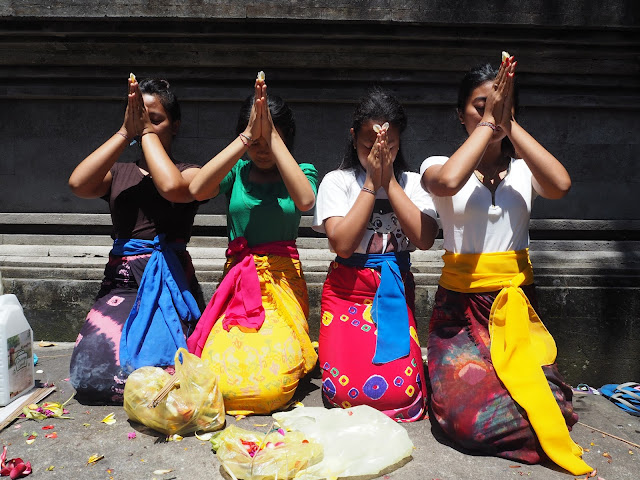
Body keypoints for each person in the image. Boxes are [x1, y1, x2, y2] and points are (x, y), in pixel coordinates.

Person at [421, 57, 593, 475]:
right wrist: (487, 126)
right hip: (460, 316)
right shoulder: (436, 165)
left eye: (499, 105)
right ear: (460, 114)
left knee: (555, 408)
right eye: (480, 106)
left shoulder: (522, 170)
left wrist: (507, 122)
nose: (490, 114)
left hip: (515, 309)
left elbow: (561, 184)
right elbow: (446, 184)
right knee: (471, 422)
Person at [186, 74, 317, 415]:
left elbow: (305, 200)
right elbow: (198, 189)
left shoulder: (302, 169)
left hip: (282, 285)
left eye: (269, 141)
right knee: (220, 378)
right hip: (238, 285)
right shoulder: (238, 171)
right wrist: (248, 136)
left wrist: (271, 138)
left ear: (285, 138)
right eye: (254, 143)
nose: (261, 151)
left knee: (271, 386)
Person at [68, 77, 204, 403]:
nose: (146, 126)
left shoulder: (190, 173)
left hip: (169, 283)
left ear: (176, 125)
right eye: (138, 117)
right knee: (89, 377)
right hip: (121, 285)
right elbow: (78, 183)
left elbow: (170, 186)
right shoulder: (119, 173)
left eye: (154, 119)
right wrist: (125, 133)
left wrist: (144, 134)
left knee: (162, 374)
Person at [312, 88, 439, 422]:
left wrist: (390, 182)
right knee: (342, 392)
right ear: (354, 138)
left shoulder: (413, 183)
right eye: (369, 146)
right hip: (346, 293)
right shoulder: (336, 182)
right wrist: (371, 181)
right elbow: (342, 244)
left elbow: (424, 239)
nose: (379, 153)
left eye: (389, 146)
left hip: (393, 291)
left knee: (401, 390)